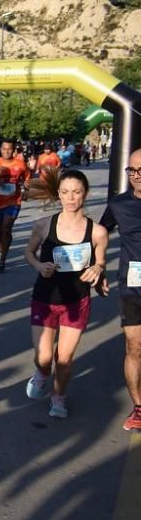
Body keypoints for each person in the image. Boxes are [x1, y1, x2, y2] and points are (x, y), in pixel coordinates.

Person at [24, 169, 108, 418]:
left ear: (85, 194)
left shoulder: (97, 232)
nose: (71, 198)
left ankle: (58, 397)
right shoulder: (43, 225)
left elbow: (100, 262)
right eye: (65, 192)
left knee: (64, 358)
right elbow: (29, 253)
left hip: (76, 301)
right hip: (44, 299)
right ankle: (41, 373)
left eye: (76, 192)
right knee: (44, 356)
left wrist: (97, 270)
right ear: (58, 194)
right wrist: (39, 265)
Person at [99, 148, 141, 431]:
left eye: (140, 171)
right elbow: (99, 233)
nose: (135, 176)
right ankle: (138, 407)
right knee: (134, 345)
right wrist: (96, 266)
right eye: (131, 171)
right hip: (133, 283)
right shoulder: (119, 204)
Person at [0, 139, 31, 273]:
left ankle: (3, 257)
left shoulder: (20, 164)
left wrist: (26, 190)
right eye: (4, 148)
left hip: (14, 201)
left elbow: (27, 178)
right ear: (0, 149)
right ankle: (0, 250)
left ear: (13, 150)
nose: (6, 151)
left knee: (6, 227)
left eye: (9, 149)